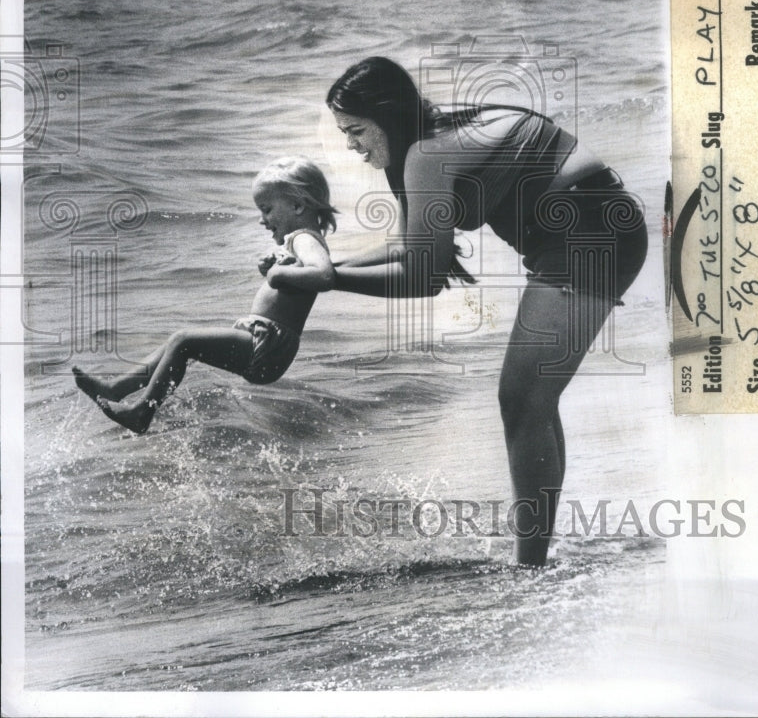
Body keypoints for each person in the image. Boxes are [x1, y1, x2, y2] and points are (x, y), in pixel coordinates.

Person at [325, 57, 647, 566]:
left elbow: (424, 277)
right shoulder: (428, 137)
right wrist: (329, 264)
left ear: (386, 116)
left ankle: (531, 567)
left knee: (522, 401)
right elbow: (414, 248)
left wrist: (326, 280)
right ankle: (536, 558)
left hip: (590, 231)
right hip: (596, 223)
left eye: (356, 130)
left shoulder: (426, 154)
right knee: (530, 402)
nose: (351, 144)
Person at [72, 157, 336, 434]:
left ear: (297, 205)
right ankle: (116, 390)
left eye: (267, 209)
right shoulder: (301, 241)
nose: (262, 220)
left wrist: (278, 275)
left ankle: (141, 412)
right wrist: (275, 267)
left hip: (268, 345)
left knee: (184, 340)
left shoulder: (304, 239)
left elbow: (324, 276)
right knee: (179, 344)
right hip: (266, 342)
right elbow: (299, 283)